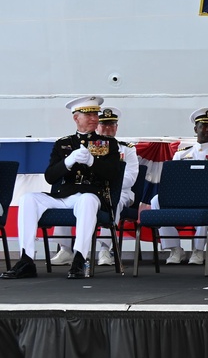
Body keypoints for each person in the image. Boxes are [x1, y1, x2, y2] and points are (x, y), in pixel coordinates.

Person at [2, 96, 121, 280]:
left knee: (87, 200)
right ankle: (26, 260)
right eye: (88, 115)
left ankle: (79, 259)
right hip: (63, 195)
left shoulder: (108, 144)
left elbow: (112, 175)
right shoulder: (62, 144)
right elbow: (50, 177)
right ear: (76, 118)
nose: (94, 119)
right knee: (28, 198)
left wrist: (92, 162)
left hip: (91, 195)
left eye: (95, 114)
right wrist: (67, 162)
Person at [48, 106, 140, 267]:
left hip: (122, 191)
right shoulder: (84, 145)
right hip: (91, 190)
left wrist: (109, 181)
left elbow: (130, 178)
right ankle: (65, 249)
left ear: (117, 127)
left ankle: (105, 249)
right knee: (65, 195)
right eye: (104, 125)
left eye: (111, 125)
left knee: (113, 199)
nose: (107, 128)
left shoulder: (127, 149)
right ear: (97, 126)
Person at [147, 108, 208, 265]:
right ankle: (175, 249)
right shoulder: (181, 155)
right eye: (203, 126)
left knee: (207, 201)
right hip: (183, 198)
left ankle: (198, 250)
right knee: (156, 200)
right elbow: (172, 182)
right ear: (196, 129)